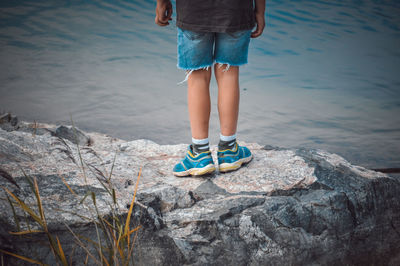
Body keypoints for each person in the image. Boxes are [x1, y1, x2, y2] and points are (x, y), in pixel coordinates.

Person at [155, 0, 266, 176]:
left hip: (194, 11)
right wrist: (260, 11)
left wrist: (162, 2)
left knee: (197, 75)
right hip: (236, 10)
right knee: (228, 71)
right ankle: (229, 150)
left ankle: (200, 154)